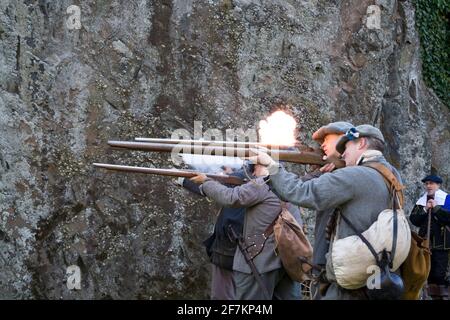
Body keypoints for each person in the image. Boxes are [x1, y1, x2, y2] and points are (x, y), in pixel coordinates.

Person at [250, 124, 403, 299]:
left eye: (346, 147)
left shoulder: (355, 175)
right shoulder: (391, 173)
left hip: (349, 283)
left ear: (361, 143)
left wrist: (272, 165)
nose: (343, 153)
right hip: (378, 277)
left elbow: (302, 192)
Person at [190, 164, 302, 300]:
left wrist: (206, 181)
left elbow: (230, 197)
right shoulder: (289, 183)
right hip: (287, 259)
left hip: (260, 261)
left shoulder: (262, 183)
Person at [299, 121, 353, 299]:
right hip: (324, 257)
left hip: (344, 261)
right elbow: (299, 190)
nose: (322, 145)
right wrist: (319, 172)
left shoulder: (356, 173)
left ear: (343, 141)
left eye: (328, 139)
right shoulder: (328, 172)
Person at [176, 165, 246, 300]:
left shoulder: (246, 180)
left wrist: (184, 179)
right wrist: (183, 180)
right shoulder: (255, 180)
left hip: (230, 247)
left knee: (223, 295)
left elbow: (216, 191)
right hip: (240, 248)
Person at [410, 174, 450, 300]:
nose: (428, 186)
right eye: (427, 183)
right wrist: (426, 209)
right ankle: (427, 296)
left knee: (439, 273)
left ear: (438, 185)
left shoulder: (447, 199)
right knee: (424, 271)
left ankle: (441, 297)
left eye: (431, 183)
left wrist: (436, 208)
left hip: (441, 243)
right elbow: (414, 219)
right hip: (423, 243)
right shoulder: (421, 200)